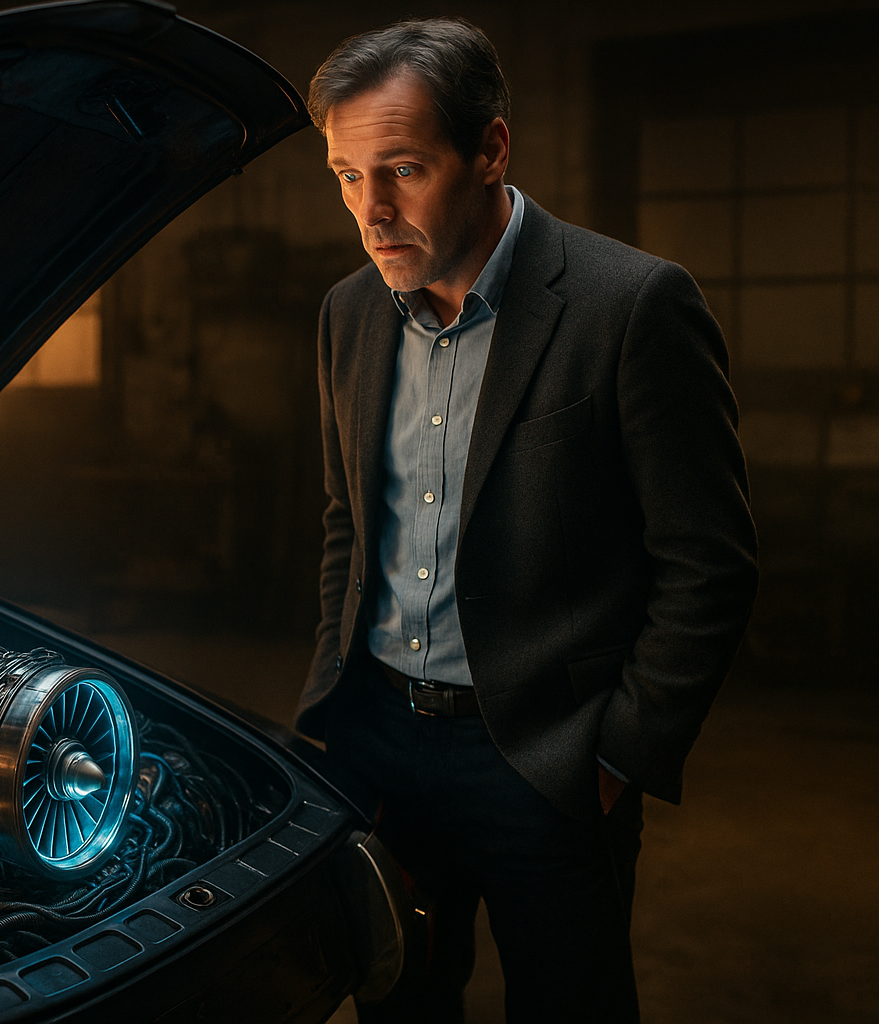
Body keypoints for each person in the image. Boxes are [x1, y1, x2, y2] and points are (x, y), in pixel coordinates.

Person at [295, 18, 758, 1024]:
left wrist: (616, 755)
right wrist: (337, 703)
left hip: (548, 762)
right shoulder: (348, 313)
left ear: (492, 149)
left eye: (403, 169)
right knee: (399, 1005)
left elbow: (708, 564)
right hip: (379, 753)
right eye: (347, 176)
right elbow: (348, 524)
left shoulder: (631, 304)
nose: (372, 212)